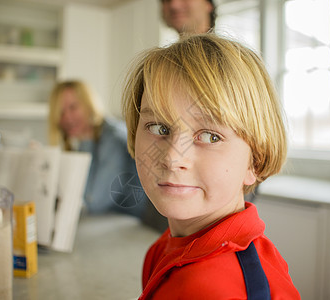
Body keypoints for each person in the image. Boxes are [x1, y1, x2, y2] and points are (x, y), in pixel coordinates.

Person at [122, 34, 300, 299]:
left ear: (256, 160)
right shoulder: (163, 249)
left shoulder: (223, 290)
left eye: (209, 136)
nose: (173, 158)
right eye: (159, 128)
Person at [48, 80, 148, 217]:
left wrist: (85, 142)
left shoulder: (112, 138)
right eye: (61, 112)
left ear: (88, 105)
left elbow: (93, 201)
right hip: (108, 216)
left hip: (127, 218)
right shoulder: (85, 140)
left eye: (73, 107)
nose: (67, 117)